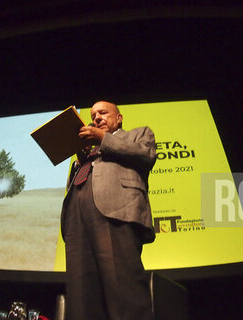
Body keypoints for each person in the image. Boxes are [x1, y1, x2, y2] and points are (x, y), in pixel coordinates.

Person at [60, 101, 157, 320]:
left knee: (122, 288)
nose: (97, 118)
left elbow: (146, 155)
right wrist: (80, 157)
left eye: (103, 113)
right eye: (93, 116)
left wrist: (102, 139)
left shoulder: (139, 134)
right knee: (81, 293)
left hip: (116, 212)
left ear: (119, 117)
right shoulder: (87, 151)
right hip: (76, 220)